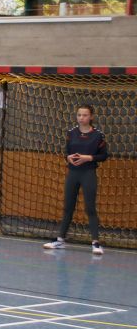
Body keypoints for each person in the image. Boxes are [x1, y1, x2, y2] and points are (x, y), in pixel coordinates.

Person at [44, 105, 109, 255]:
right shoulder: (71, 133)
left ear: (91, 117)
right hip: (73, 173)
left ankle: (96, 243)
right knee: (68, 207)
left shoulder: (98, 135)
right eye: (79, 115)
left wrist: (89, 157)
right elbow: (66, 152)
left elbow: (104, 156)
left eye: (85, 115)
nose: (81, 118)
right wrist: (67, 157)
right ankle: (60, 240)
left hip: (88, 174)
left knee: (90, 208)